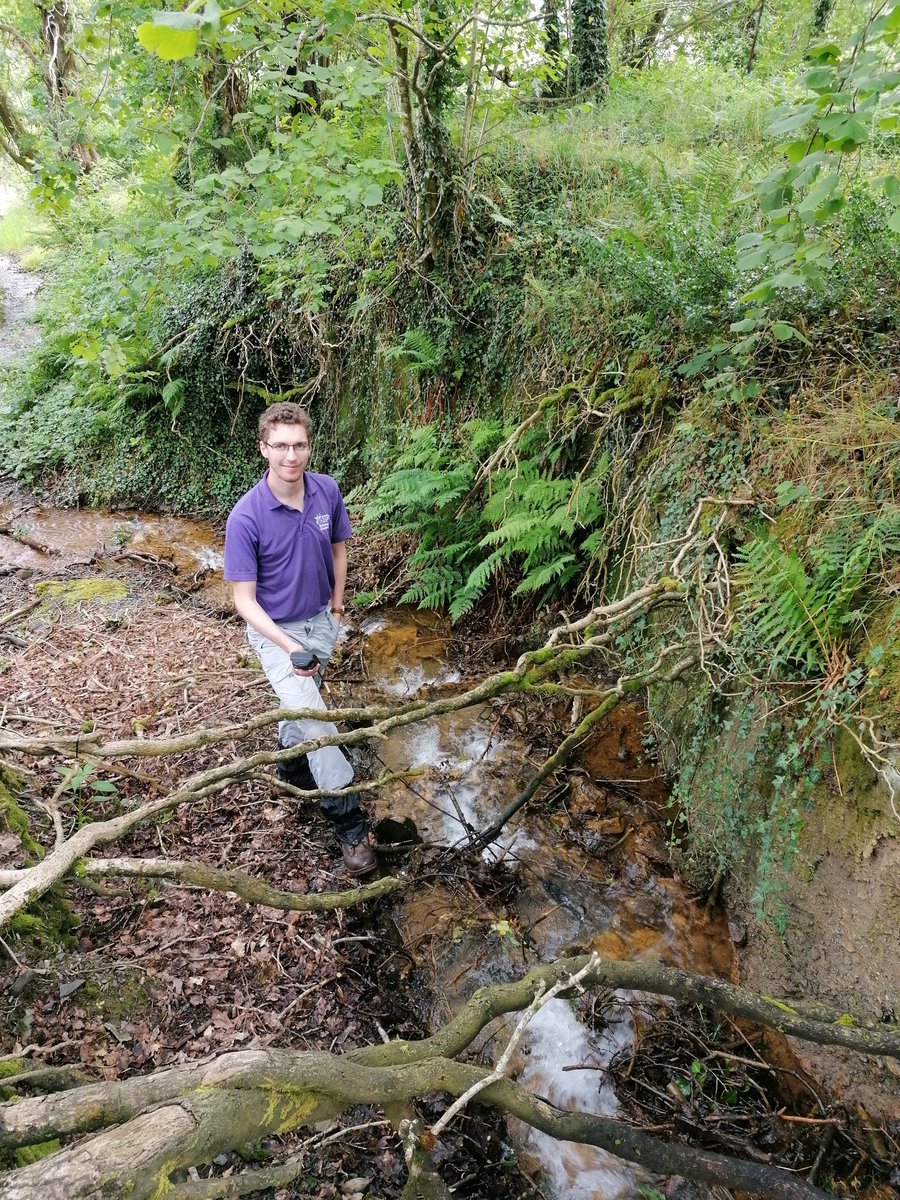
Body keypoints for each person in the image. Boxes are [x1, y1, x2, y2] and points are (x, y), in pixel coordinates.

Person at [223, 403, 377, 878]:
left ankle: (290, 767)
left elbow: (339, 548)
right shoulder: (245, 517)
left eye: (300, 444)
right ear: (264, 448)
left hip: (320, 622)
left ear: (309, 446)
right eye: (281, 445)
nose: (291, 454)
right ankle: (349, 823)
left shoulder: (326, 490)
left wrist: (336, 606)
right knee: (316, 722)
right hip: (276, 636)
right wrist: (290, 648)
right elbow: (244, 602)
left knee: (302, 707)